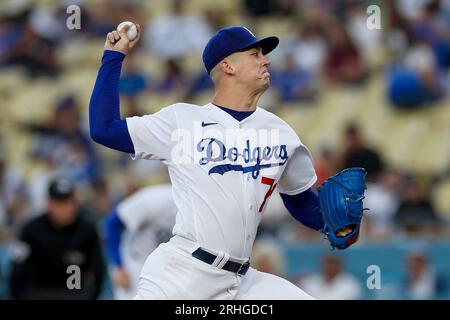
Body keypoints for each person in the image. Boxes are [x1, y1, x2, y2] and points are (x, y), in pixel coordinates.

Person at [89, 24, 360, 299]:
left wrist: (334, 223)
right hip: (181, 274)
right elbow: (104, 128)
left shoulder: (281, 133)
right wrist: (113, 56)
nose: (266, 60)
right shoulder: (181, 121)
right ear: (228, 66)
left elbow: (299, 200)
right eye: (254, 54)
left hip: (241, 280)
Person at [9, 178, 105, 299]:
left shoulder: (87, 230)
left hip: (73, 293)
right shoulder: (30, 230)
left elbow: (98, 268)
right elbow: (16, 270)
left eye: (70, 202)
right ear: (49, 203)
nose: (66, 208)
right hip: (38, 293)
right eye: (60, 203)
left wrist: (91, 295)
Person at [104, 183, 177, 300]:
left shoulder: (203, 209)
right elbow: (113, 223)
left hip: (169, 267)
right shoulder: (157, 199)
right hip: (135, 263)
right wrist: (119, 266)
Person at [296, 253, 362, 300]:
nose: (330, 267)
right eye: (328, 264)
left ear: (340, 266)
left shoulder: (351, 284)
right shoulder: (311, 281)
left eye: (333, 264)